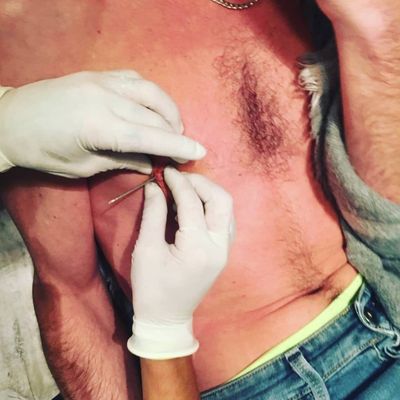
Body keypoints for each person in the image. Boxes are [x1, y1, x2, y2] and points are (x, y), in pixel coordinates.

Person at [0, 0, 399, 399]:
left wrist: (380, 30)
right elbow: (73, 294)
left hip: (387, 306)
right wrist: (162, 335)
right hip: (252, 386)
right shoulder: (32, 31)